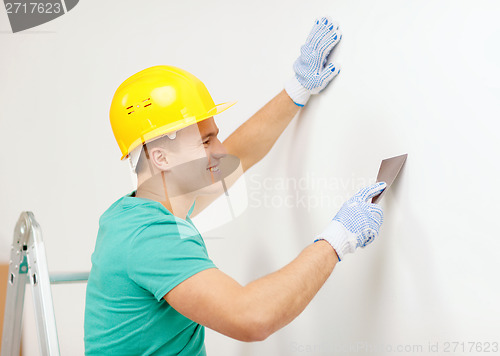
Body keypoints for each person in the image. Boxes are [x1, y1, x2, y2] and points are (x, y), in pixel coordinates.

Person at [84, 16, 386, 355]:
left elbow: (238, 155)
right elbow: (251, 317)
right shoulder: (149, 237)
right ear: (161, 157)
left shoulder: (139, 209)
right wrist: (338, 237)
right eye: (206, 141)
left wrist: (298, 88)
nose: (220, 150)